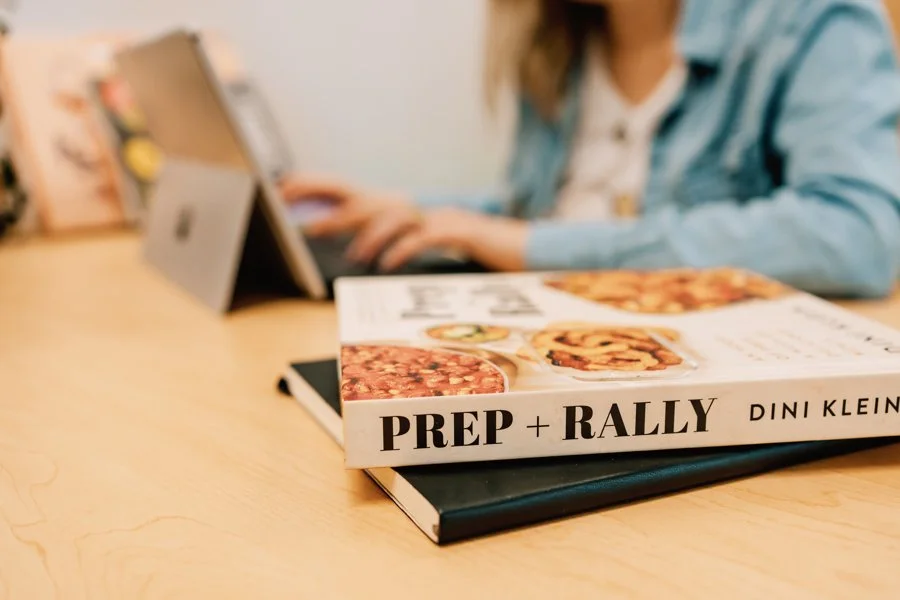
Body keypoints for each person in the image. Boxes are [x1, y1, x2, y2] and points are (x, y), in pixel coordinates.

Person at [280, 0, 900, 298]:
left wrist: (528, 245)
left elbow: (856, 235)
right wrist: (425, 214)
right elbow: (557, 215)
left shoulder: (812, 19)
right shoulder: (551, 35)